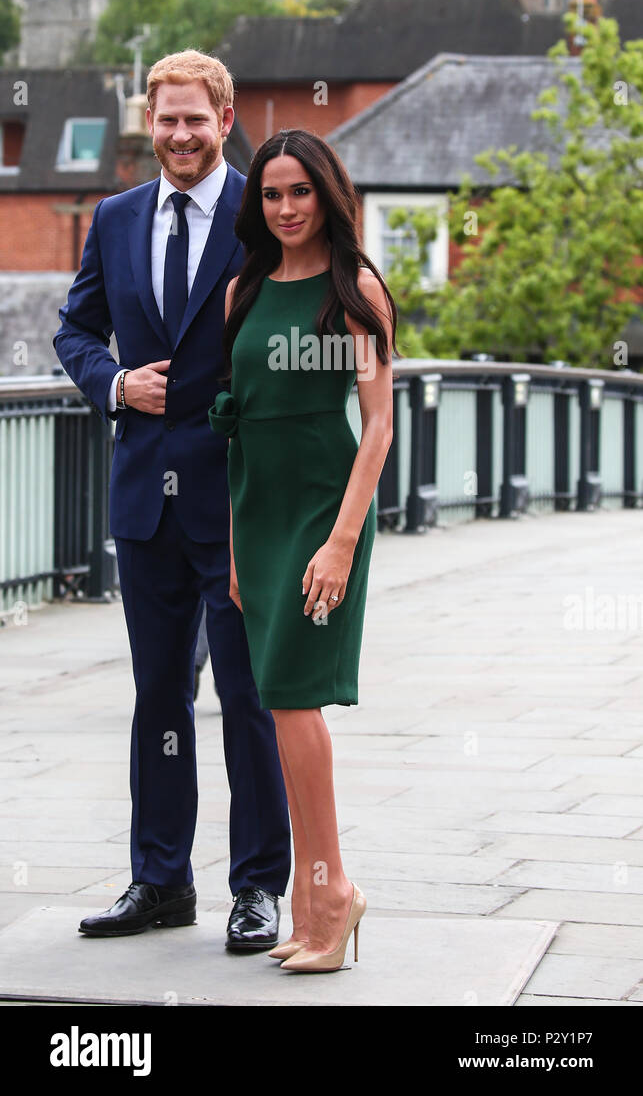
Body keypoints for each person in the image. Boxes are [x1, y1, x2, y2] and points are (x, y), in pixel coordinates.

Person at [53, 50, 291, 950]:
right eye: (166, 120)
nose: (181, 135)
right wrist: (115, 384)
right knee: (158, 697)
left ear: (224, 119)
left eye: (196, 119)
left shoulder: (263, 208)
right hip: (142, 500)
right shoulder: (114, 218)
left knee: (248, 694)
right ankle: (160, 881)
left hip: (235, 497)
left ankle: (258, 886)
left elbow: (304, 320)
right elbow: (76, 327)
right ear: (146, 125)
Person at [208, 129, 396, 973]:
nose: (285, 208)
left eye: (300, 193)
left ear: (327, 195)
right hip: (258, 512)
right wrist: (240, 554)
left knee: (291, 699)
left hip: (324, 513)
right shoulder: (242, 287)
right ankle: (316, 898)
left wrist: (341, 544)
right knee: (276, 701)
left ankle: (332, 895)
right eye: (272, 194)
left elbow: (379, 424)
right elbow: (235, 424)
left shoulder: (353, 286)